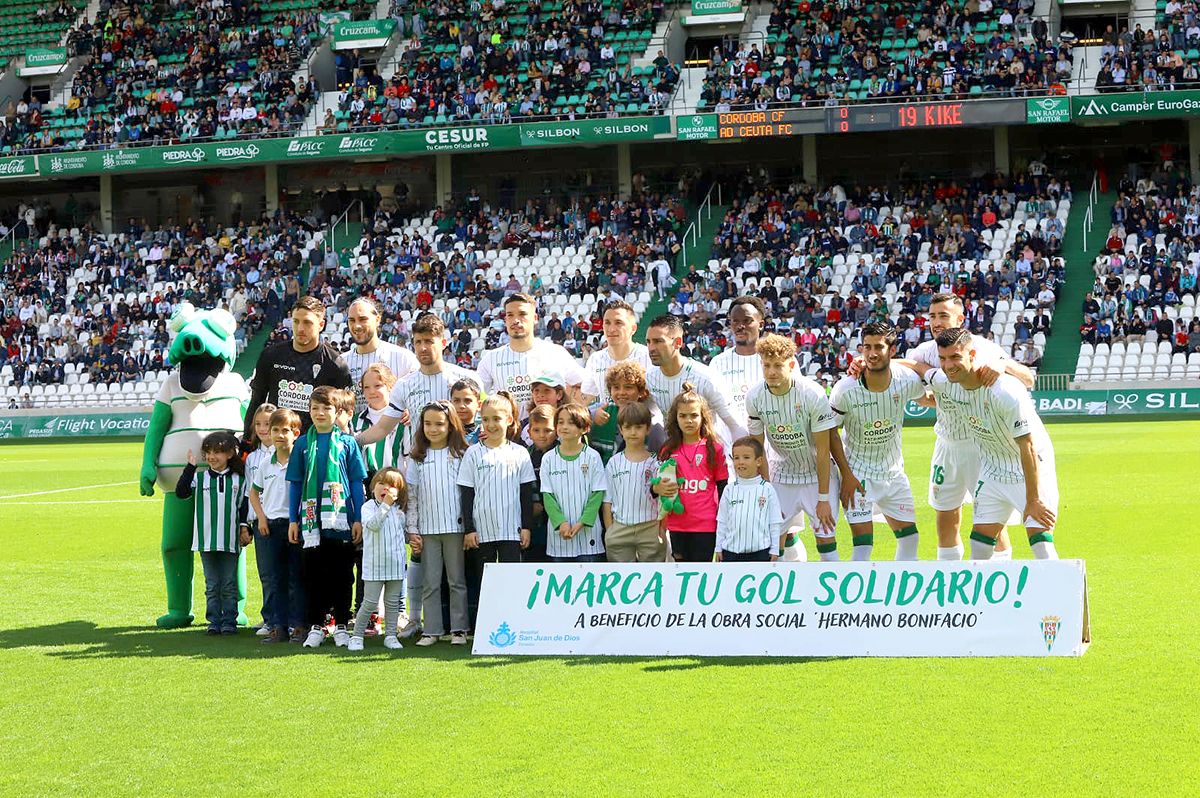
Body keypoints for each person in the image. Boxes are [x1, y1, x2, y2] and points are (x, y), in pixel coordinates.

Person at [901, 293, 1034, 560]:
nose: (936, 322)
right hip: (946, 445)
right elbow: (913, 382)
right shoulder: (923, 352)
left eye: (944, 315)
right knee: (945, 516)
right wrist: (939, 400)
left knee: (990, 520)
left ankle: (998, 579)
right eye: (933, 316)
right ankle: (950, 584)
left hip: (980, 446)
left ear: (961, 319)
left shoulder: (982, 348)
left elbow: (1028, 379)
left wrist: (1002, 364)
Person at [919, 329, 1059, 560]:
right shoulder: (947, 380)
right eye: (943, 359)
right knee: (980, 548)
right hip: (993, 471)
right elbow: (920, 368)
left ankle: (1063, 596)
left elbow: (1028, 447)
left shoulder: (1006, 392)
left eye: (955, 357)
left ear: (972, 354)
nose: (948, 365)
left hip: (1029, 470)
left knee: (1041, 546)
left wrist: (1033, 500)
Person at [829, 322, 927, 562]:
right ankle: (856, 600)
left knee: (910, 539)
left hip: (893, 474)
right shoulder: (845, 389)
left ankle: (901, 596)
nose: (872, 354)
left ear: (892, 351)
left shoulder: (907, 380)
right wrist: (846, 474)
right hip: (858, 476)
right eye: (867, 347)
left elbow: (928, 399)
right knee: (863, 548)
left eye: (879, 347)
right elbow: (830, 432)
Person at [747, 334, 841, 562]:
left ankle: (834, 594)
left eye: (778, 365)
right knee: (772, 545)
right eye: (766, 365)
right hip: (781, 475)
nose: (771, 372)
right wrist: (767, 492)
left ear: (790, 364)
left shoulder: (812, 393)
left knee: (826, 540)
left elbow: (822, 450)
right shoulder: (755, 396)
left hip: (816, 475)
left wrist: (823, 498)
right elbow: (758, 451)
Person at [287, 386, 367, 649]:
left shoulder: (347, 443)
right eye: (315, 408)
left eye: (327, 408)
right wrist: (293, 519)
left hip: (341, 521)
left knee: (343, 575)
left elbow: (356, 483)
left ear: (338, 412)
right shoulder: (301, 444)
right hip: (311, 522)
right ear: (309, 411)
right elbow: (296, 484)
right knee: (313, 575)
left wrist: (357, 518)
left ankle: (342, 624)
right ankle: (316, 626)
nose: (320, 413)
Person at [355, 313, 477, 454]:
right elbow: (382, 428)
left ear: (443, 343)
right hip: (420, 467)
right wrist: (353, 441)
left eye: (428, 341)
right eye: (418, 342)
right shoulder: (404, 385)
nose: (422, 348)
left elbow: (483, 418)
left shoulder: (468, 378)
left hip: (461, 464)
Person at [458, 393, 537, 592]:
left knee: (513, 582)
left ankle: (514, 621)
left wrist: (526, 527)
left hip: (512, 530)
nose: (490, 425)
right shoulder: (473, 453)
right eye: (485, 419)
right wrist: (469, 529)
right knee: (486, 584)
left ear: (509, 420)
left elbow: (526, 494)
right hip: (482, 531)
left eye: (496, 419)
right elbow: (467, 494)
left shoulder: (519, 452)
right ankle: (484, 622)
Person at [407, 401, 471, 647]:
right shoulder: (417, 458)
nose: (433, 429)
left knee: (456, 580)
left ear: (451, 425)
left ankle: (459, 629)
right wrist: (412, 529)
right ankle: (431, 630)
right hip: (428, 529)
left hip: (455, 528)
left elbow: (467, 494)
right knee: (430, 582)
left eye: (439, 424)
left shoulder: (461, 455)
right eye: (428, 424)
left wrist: (468, 527)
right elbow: (411, 497)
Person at [174, 432, 249, 635]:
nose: (212, 457)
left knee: (229, 583)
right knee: (212, 584)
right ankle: (214, 621)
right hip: (206, 540)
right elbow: (181, 492)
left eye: (217, 452)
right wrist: (190, 467)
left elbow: (245, 507)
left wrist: (245, 528)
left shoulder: (240, 480)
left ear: (230, 454)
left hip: (230, 540)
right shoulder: (200, 478)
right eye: (208, 452)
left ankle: (229, 621)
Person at [244, 296, 352, 437]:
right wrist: (247, 440)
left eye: (307, 322)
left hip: (313, 448)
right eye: (296, 321)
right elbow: (256, 401)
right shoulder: (271, 355)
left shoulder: (335, 364)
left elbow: (343, 415)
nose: (300, 328)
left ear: (321, 325)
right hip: (276, 443)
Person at [248, 408, 305, 643]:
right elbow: (254, 493)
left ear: (296, 433)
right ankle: (278, 627)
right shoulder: (265, 464)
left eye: (285, 430)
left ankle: (299, 626)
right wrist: (261, 518)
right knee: (276, 578)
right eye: (275, 430)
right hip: (270, 527)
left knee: (297, 577)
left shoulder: (302, 461)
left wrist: (298, 521)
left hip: (295, 528)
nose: (280, 435)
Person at [477, 293, 585, 418]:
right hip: (508, 435)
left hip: (549, 435)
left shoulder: (555, 353)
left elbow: (587, 385)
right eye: (510, 315)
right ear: (505, 320)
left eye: (522, 314)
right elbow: (475, 396)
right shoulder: (491, 359)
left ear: (535, 318)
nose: (516, 321)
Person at [644, 314, 747, 445]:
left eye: (658, 341)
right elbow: (651, 415)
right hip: (675, 457)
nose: (651, 348)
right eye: (648, 342)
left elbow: (735, 425)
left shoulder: (705, 377)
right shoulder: (649, 378)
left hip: (711, 456)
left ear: (677, 343)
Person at [653, 387, 728, 562]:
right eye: (683, 416)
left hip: (706, 524)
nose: (688, 420)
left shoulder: (714, 448)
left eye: (694, 415)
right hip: (677, 524)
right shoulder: (667, 449)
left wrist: (724, 521)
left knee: (701, 572)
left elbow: (723, 487)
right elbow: (656, 487)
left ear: (703, 417)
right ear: (675, 418)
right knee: (680, 573)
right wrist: (657, 488)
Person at [348, 468, 409, 652]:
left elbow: (402, 535)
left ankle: (390, 635)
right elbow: (373, 525)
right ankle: (357, 636)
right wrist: (386, 505)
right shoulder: (368, 507)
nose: (386, 488)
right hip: (374, 565)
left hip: (395, 565)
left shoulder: (399, 511)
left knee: (392, 603)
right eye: (381, 483)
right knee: (369, 602)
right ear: (373, 487)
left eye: (392, 486)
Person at [539, 404, 608, 562]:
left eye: (571, 422)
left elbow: (597, 493)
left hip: (588, 537)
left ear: (584, 428)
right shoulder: (548, 459)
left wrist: (583, 522)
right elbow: (548, 496)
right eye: (560, 422)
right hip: (559, 538)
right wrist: (561, 523)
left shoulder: (593, 456)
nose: (564, 427)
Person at [602, 402, 666, 562]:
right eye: (628, 427)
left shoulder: (656, 463)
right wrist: (610, 530)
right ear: (621, 429)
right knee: (621, 580)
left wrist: (661, 529)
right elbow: (607, 500)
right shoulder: (613, 462)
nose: (633, 432)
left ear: (648, 429)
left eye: (638, 427)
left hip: (650, 527)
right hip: (620, 528)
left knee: (653, 577)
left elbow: (664, 501)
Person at [343, 296, 418, 413]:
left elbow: (420, 399)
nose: (357, 326)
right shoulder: (341, 363)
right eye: (352, 320)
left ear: (378, 319)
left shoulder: (403, 358)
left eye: (363, 319)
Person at [715, 437, 784, 562]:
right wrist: (718, 547)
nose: (740, 462)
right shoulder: (729, 490)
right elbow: (722, 522)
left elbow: (774, 522)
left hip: (760, 552)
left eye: (746, 457)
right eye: (736, 458)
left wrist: (774, 549)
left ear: (758, 461)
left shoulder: (767, 489)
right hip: (731, 552)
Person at [581, 299, 652, 413]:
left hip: (643, 426)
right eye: (607, 322)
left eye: (618, 323)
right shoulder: (595, 359)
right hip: (610, 427)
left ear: (633, 329)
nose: (611, 329)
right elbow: (584, 400)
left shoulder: (648, 357)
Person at [243, 402, 277, 635]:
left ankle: (284, 618)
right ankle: (269, 618)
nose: (263, 428)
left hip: (281, 520)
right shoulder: (252, 458)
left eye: (268, 423)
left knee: (284, 572)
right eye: (259, 424)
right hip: (259, 521)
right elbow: (248, 492)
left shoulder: (287, 452)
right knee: (266, 572)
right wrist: (246, 522)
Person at [709, 296, 768, 430]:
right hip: (732, 446)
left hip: (773, 447)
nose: (740, 326)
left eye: (747, 321)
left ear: (761, 324)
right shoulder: (717, 363)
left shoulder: (779, 360)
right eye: (735, 321)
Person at [602, 360, 667, 458]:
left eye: (628, 387)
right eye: (616, 387)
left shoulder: (653, 424)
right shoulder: (602, 414)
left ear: (641, 391)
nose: (621, 392)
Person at [352, 363, 404, 474]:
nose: (371, 392)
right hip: (365, 487)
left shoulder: (403, 419)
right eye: (366, 387)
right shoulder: (354, 421)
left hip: (396, 486)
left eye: (377, 386)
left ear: (390, 386)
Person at [524, 404, 557, 562]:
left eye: (548, 430)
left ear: (556, 430)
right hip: (534, 520)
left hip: (558, 519)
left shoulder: (561, 453)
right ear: (529, 432)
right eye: (536, 430)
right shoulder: (526, 455)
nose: (542, 435)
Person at [450, 377, 484, 444]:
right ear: (451, 403)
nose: (461, 406)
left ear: (479, 405)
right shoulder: (444, 433)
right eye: (456, 401)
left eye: (467, 401)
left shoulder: (483, 434)